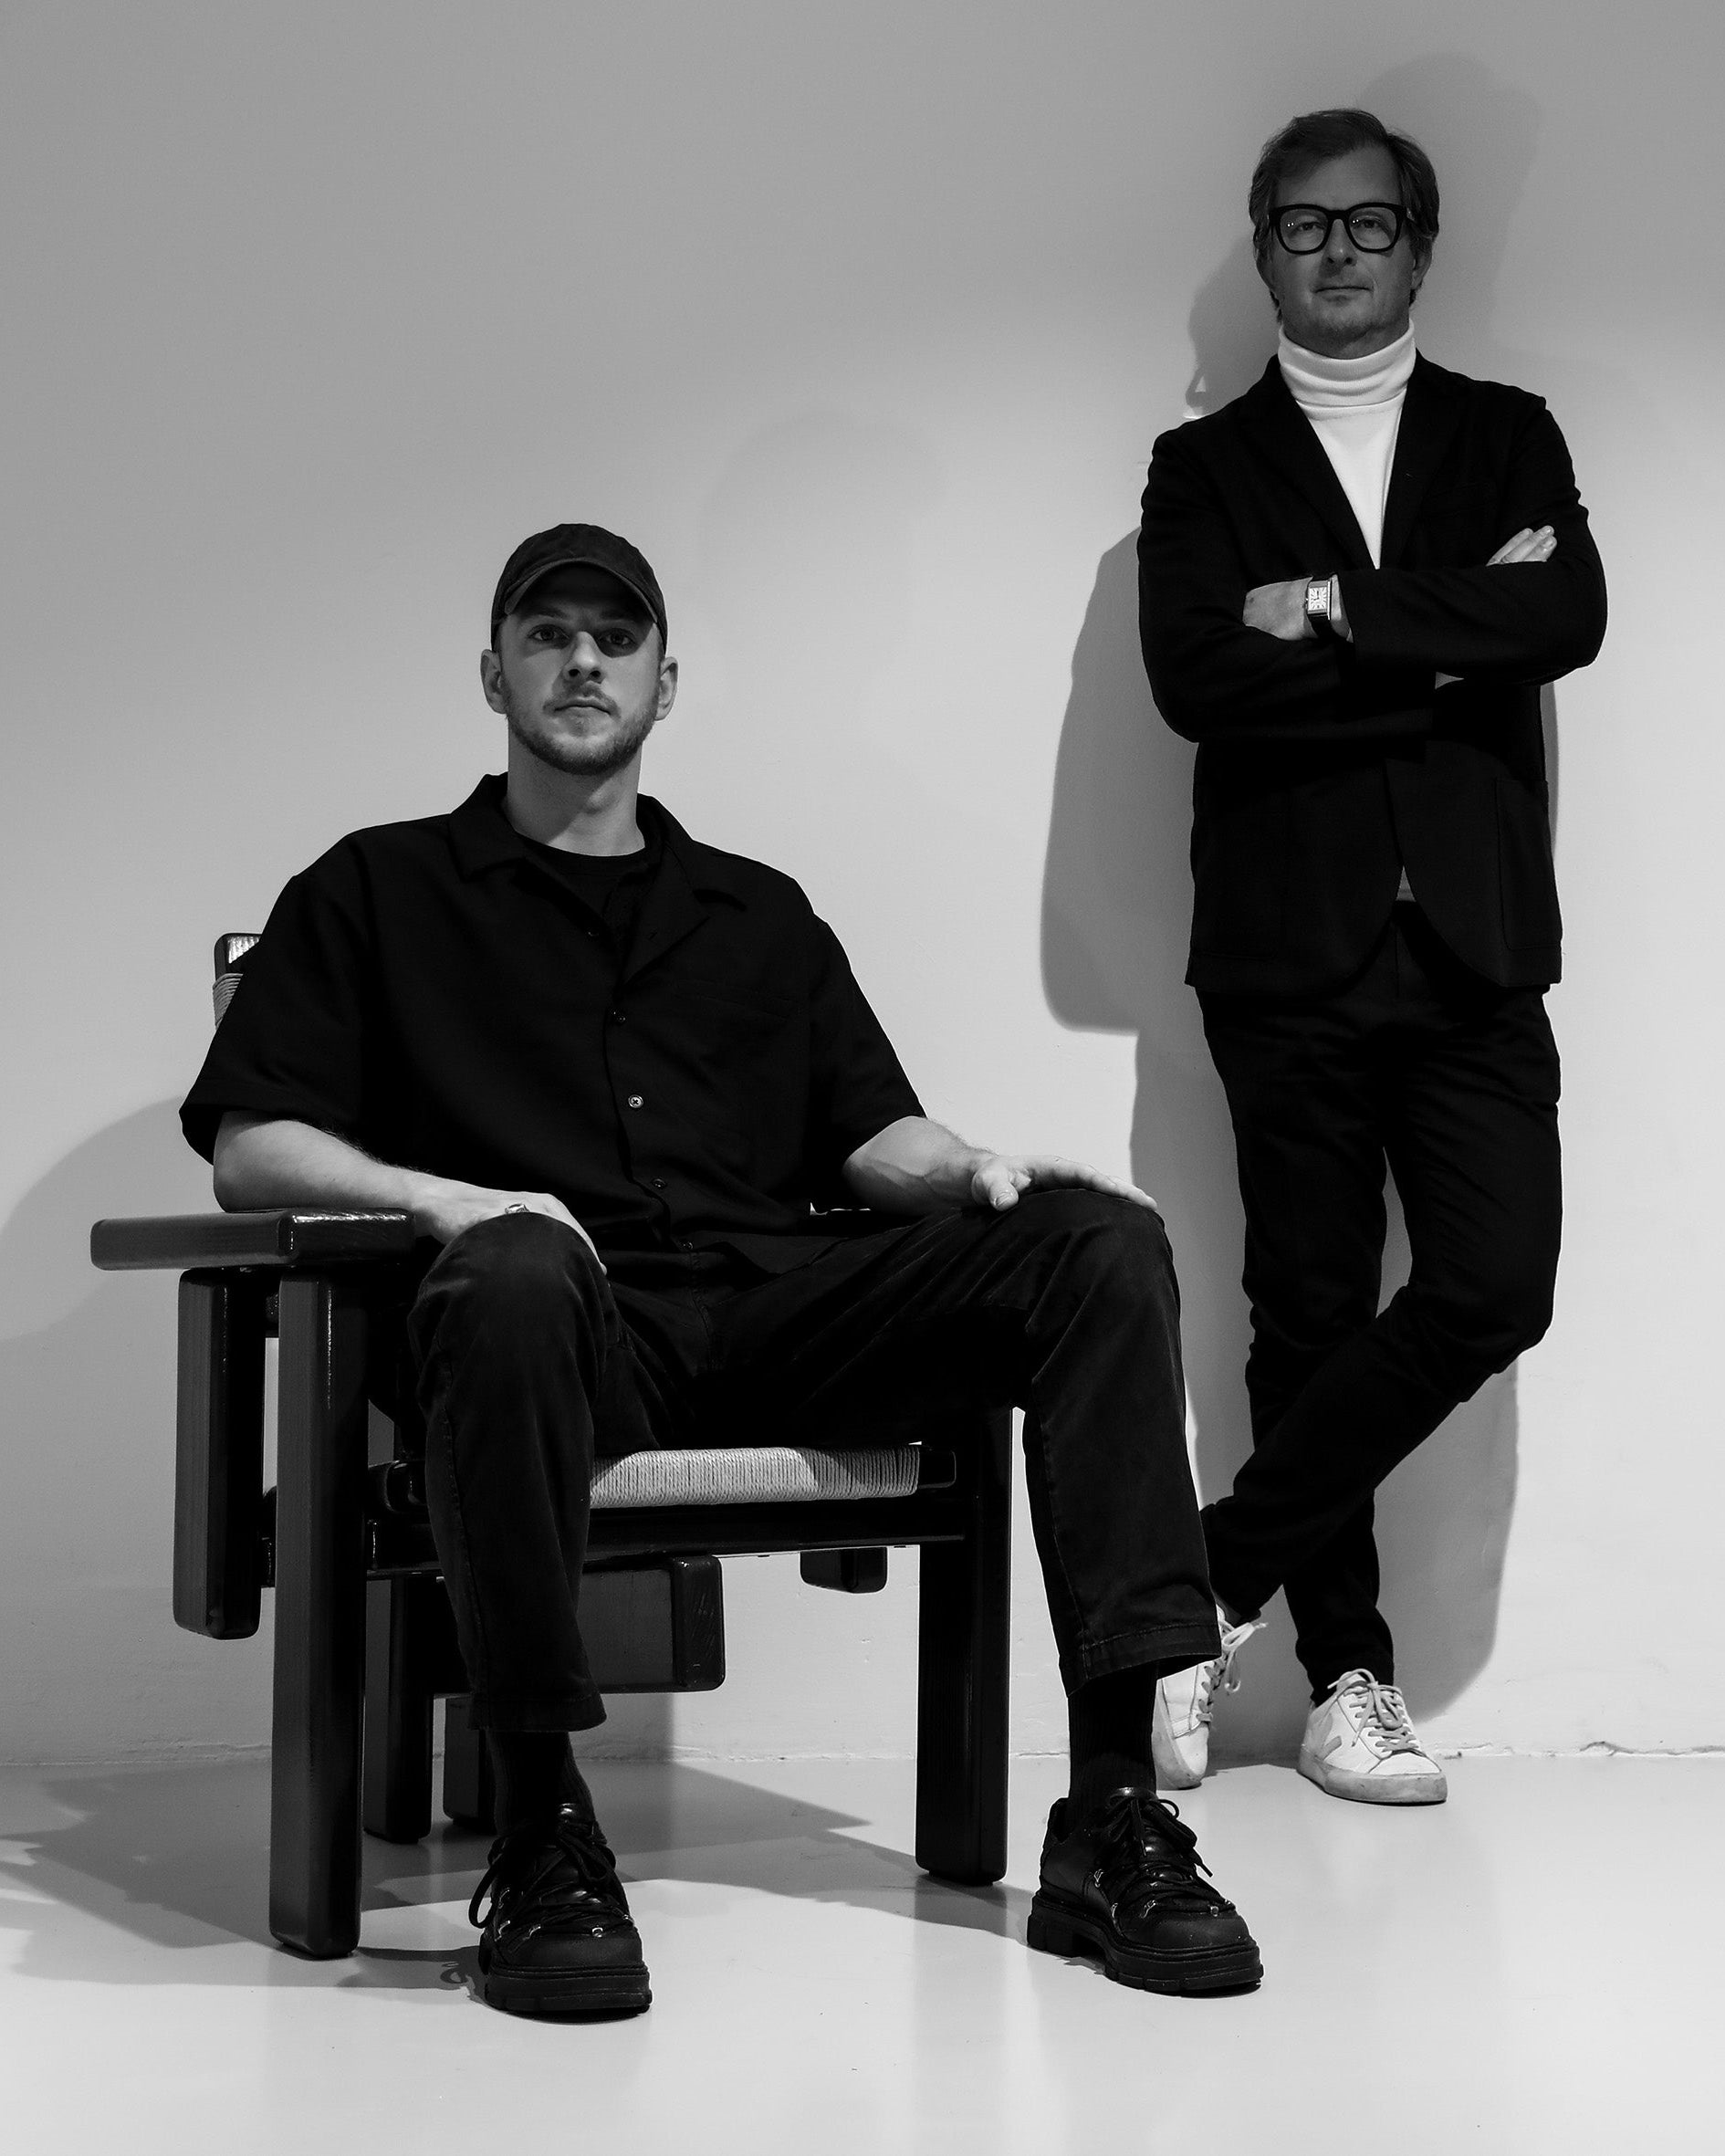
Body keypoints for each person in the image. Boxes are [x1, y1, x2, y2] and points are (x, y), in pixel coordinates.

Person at [181, 522, 1261, 2015]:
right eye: (546, 632)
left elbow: (870, 1131)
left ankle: (1112, 1816)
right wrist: (448, 1199)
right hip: (559, 1325)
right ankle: (545, 1823)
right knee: (504, 1271)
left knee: (1097, 1242)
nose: (580, 660)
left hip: (771, 1301)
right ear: (489, 671)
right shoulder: (377, 889)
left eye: (613, 637)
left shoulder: (755, 910)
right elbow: (252, 1141)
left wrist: (973, 1172)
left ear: (664, 681)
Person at [1138, 110, 1605, 1805]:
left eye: (1368, 225)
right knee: (1308, 1311)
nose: (1335, 254)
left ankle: (1202, 1574)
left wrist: (1329, 610)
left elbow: (1562, 619)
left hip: (1473, 944)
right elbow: (1197, 680)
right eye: (1301, 226)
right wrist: (1442, 629)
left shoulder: (1504, 435)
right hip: (1286, 952)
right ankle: (1345, 1678)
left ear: (1419, 246)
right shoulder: (1199, 474)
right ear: (1262, 247)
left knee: (1496, 1283)